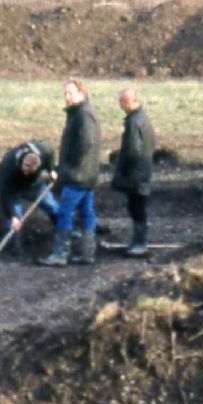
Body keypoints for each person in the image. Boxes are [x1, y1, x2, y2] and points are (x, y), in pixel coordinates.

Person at [42, 78, 101, 267]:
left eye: (71, 93)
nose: (67, 97)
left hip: (78, 176)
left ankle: (60, 254)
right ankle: (87, 253)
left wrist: (65, 169)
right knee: (86, 213)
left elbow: (85, 145)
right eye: (65, 94)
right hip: (86, 175)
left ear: (81, 94)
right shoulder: (81, 113)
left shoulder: (83, 115)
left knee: (64, 213)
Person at [111, 86, 157, 257]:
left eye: (122, 101)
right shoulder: (143, 118)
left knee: (136, 208)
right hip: (143, 171)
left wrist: (122, 171)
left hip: (135, 175)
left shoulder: (133, 121)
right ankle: (139, 241)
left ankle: (140, 242)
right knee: (138, 207)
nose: (120, 104)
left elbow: (131, 150)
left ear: (128, 101)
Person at [0, 140, 51, 254]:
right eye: (25, 168)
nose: (26, 172)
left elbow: (51, 156)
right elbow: (4, 193)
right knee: (15, 219)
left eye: (30, 171)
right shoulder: (8, 166)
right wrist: (12, 215)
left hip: (33, 185)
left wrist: (51, 170)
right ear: (23, 162)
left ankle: (64, 232)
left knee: (52, 206)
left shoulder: (44, 150)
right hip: (12, 189)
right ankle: (14, 247)